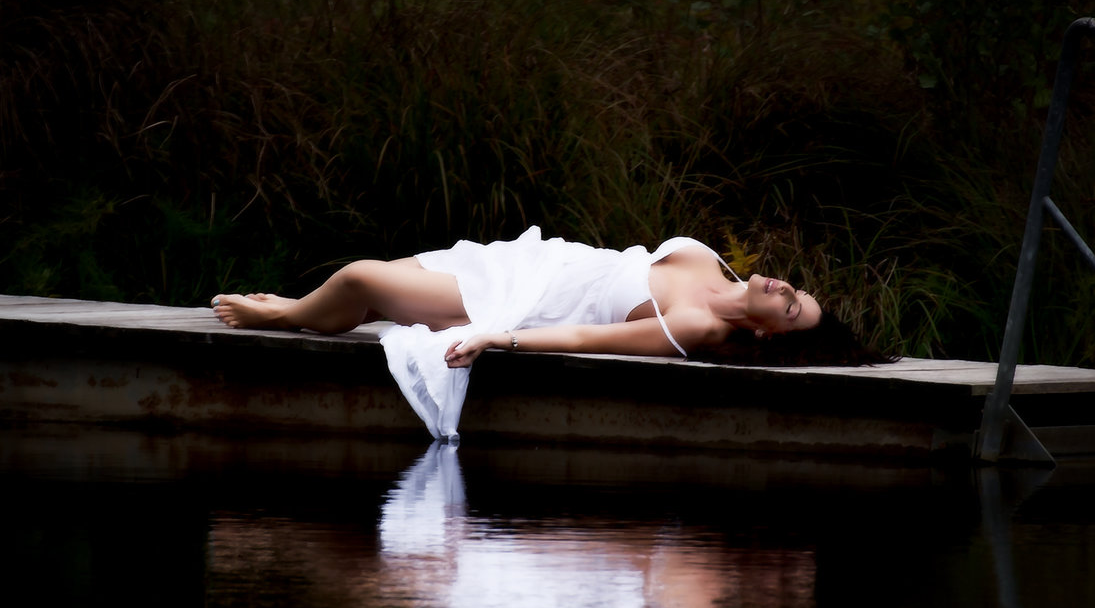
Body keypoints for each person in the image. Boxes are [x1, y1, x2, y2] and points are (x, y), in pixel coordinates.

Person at [211, 226, 887, 438]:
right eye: (797, 291)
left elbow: (586, 342)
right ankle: (307, 304)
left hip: (527, 303)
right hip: (535, 263)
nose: (786, 291)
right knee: (376, 288)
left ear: (767, 337)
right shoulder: (715, 265)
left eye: (791, 309)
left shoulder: (694, 326)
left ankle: (286, 316)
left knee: (361, 279)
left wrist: (497, 339)